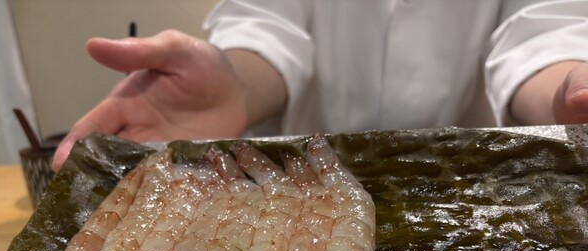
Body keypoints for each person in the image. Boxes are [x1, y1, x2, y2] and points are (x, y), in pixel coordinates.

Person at [53, 0, 588, 171]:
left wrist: (569, 93)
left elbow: (543, 32)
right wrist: (234, 87)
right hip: (295, 176)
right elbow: (266, 25)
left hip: (463, 181)